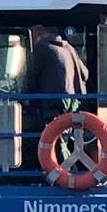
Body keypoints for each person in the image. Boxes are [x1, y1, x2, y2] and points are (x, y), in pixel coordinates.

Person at [23, 24, 92, 172]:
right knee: (64, 137)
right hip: (74, 104)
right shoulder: (69, 48)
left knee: (52, 139)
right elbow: (85, 74)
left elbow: (31, 78)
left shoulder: (42, 48)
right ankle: (71, 171)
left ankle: (66, 173)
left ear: (40, 33)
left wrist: (24, 98)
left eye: (33, 35)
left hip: (52, 105)